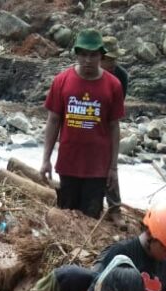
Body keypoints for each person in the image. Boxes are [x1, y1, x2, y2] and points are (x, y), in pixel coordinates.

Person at [40, 28, 124, 219]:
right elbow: (53, 121)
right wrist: (46, 160)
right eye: (83, 54)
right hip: (68, 163)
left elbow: (114, 126)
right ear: (77, 54)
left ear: (101, 56)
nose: (88, 60)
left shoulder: (113, 85)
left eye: (93, 55)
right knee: (66, 217)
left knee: (90, 218)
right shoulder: (61, 81)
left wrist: (113, 167)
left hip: (97, 168)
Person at [99, 35, 127, 217]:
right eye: (110, 60)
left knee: (110, 164)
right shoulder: (84, 74)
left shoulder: (121, 76)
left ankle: (115, 207)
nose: (113, 63)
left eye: (115, 59)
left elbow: (117, 108)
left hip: (107, 122)